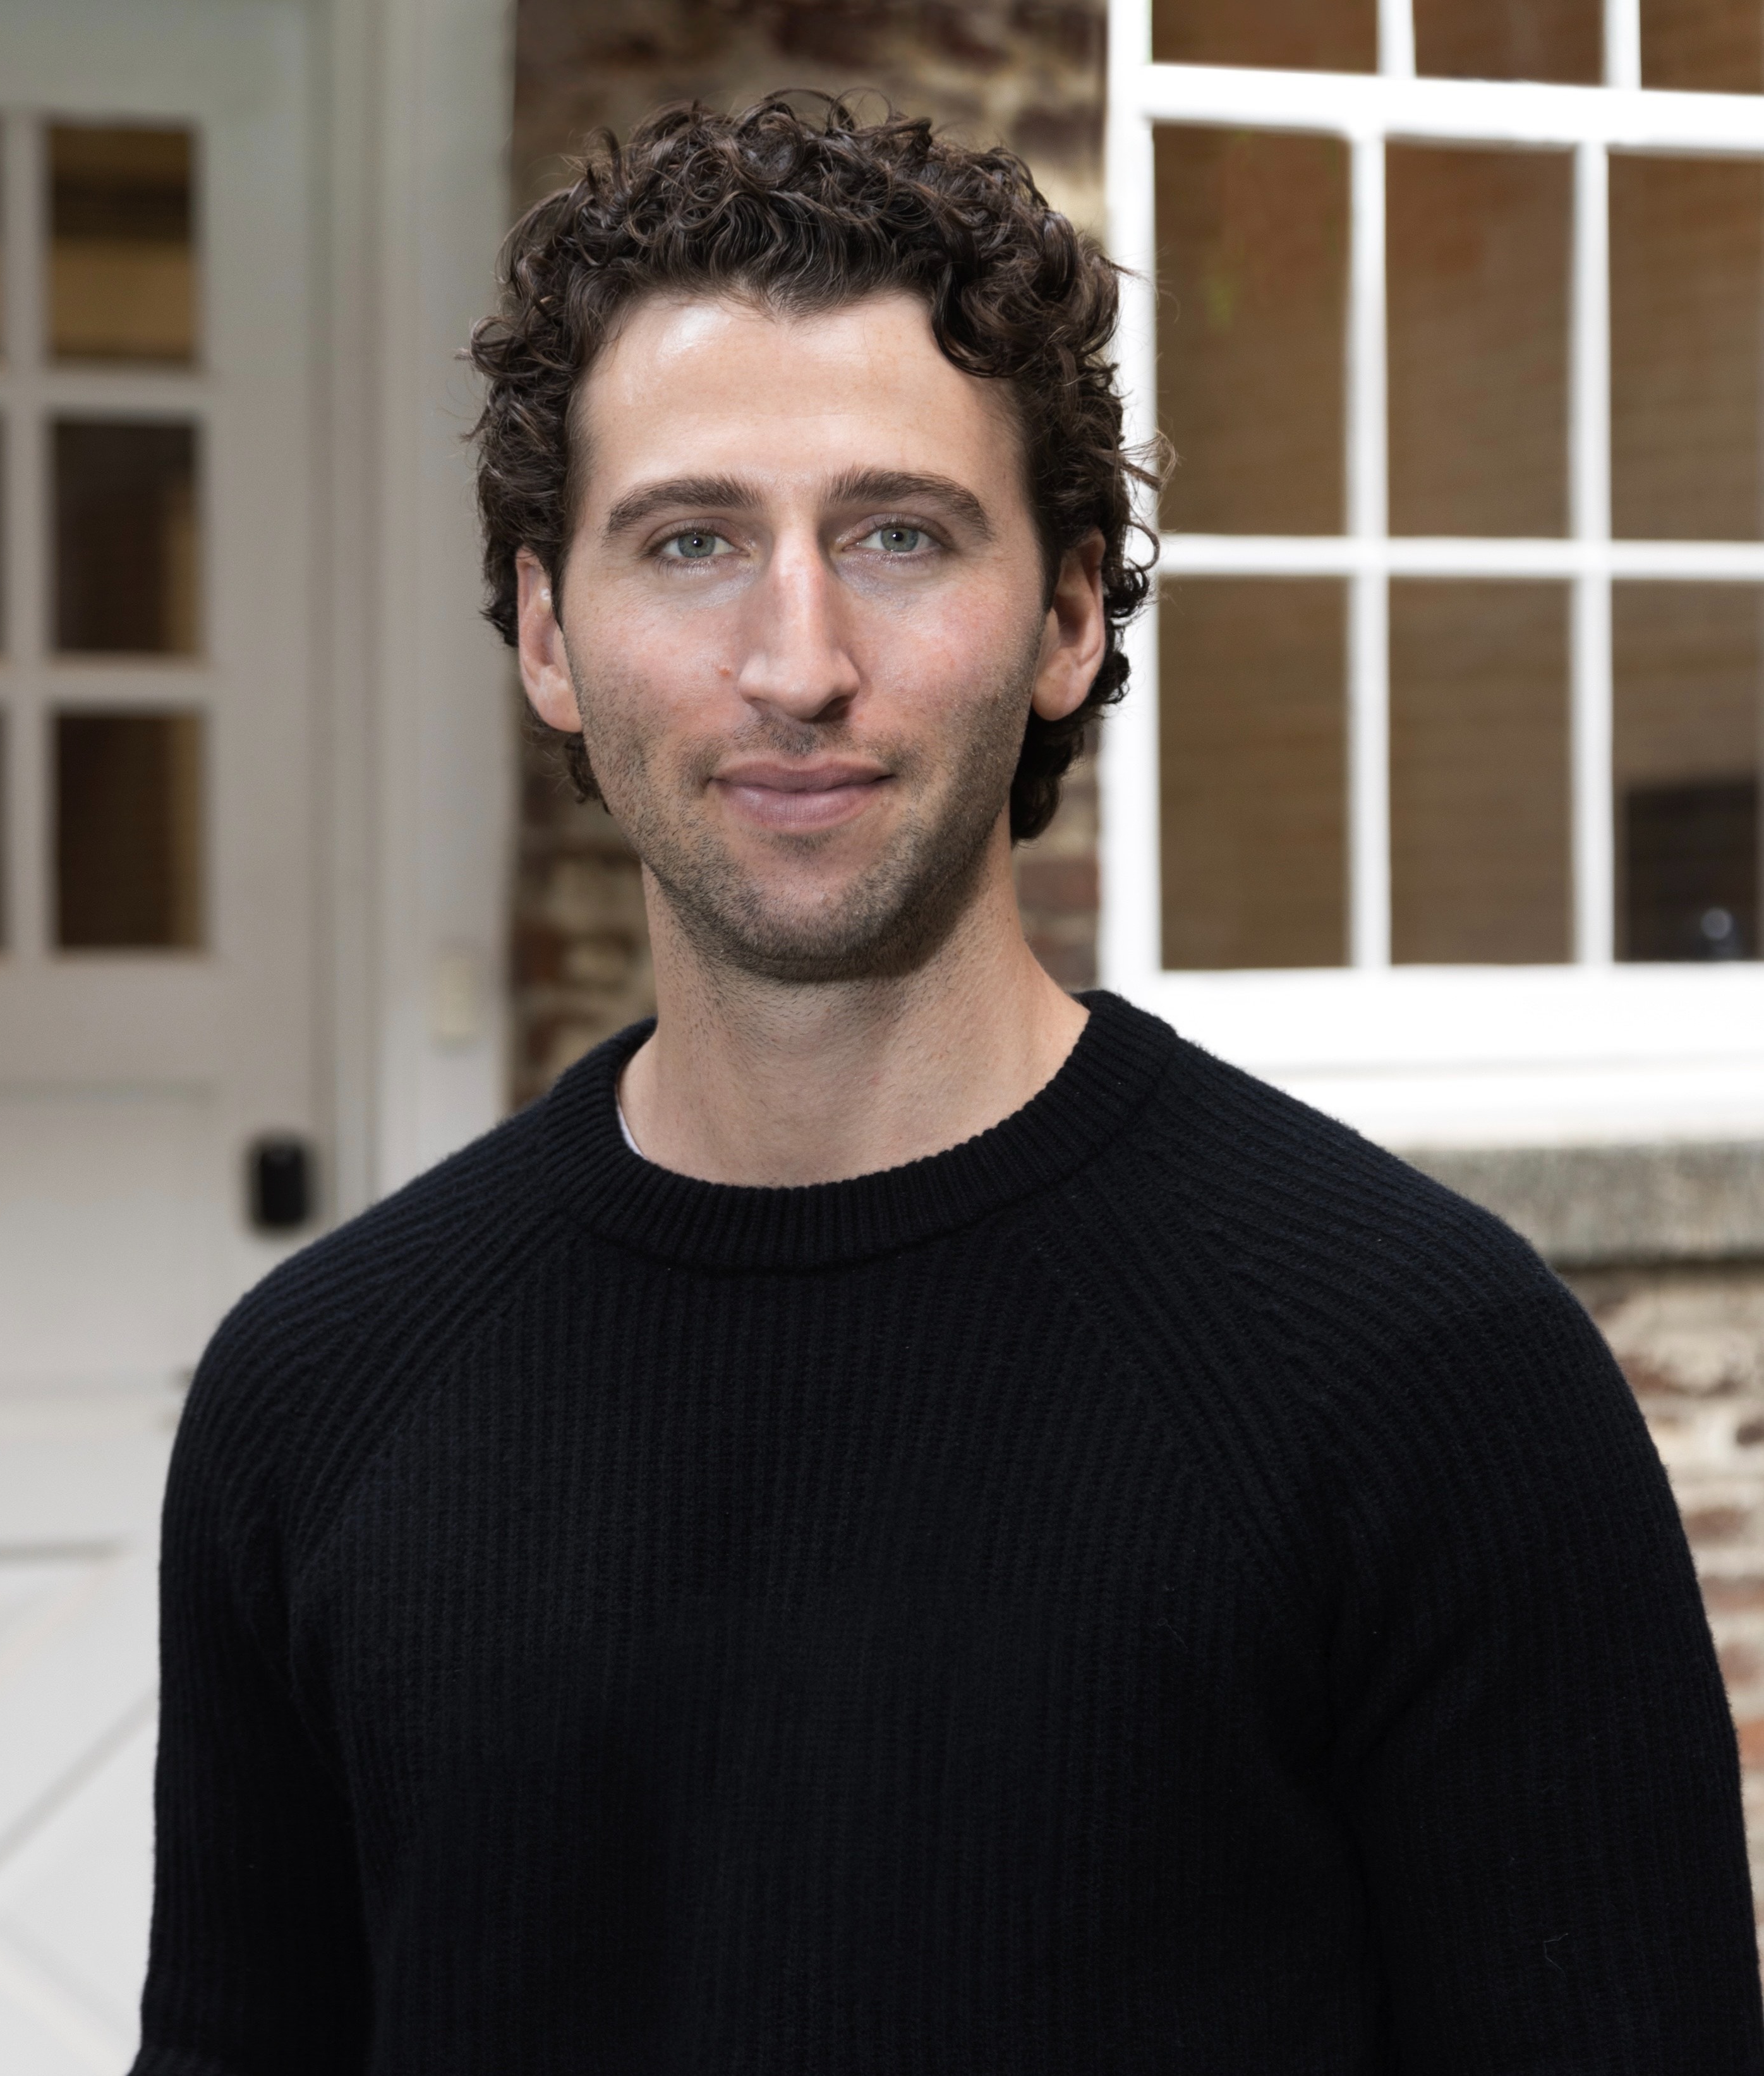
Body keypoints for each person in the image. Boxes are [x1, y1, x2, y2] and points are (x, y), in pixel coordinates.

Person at [131, 97, 1763, 2073]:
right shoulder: (319, 1396)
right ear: (550, 636)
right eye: (692, 541)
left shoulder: (1431, 1381)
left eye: (897, 536)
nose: (796, 661)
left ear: (1069, 617)